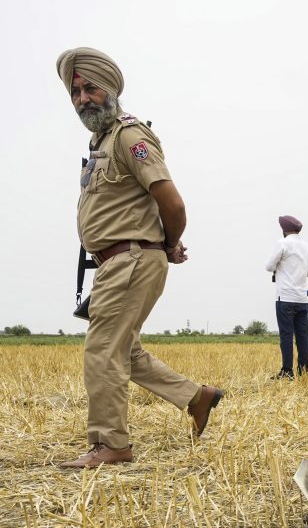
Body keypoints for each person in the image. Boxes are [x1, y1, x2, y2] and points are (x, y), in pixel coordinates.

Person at [56, 48, 222, 469]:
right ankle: (195, 397)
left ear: (110, 88)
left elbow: (173, 204)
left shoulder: (131, 137)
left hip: (130, 259)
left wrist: (168, 243)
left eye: (90, 88)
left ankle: (111, 445)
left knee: (103, 349)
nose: (82, 98)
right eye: (75, 91)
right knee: (125, 352)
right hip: (118, 261)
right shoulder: (102, 142)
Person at [265, 215, 308, 378]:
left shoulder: (282, 243)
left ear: (283, 230)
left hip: (285, 297)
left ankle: (287, 370)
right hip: (302, 298)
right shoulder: (307, 247)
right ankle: (303, 369)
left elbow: (269, 266)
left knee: (286, 335)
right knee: (302, 336)